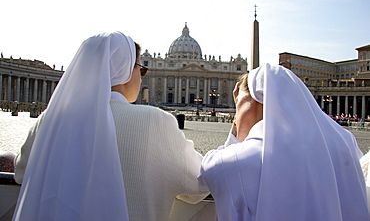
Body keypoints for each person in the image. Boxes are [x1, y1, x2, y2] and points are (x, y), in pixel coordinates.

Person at [13, 32, 209, 221]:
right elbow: (199, 182)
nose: (141, 78)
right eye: (141, 69)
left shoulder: (50, 119)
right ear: (124, 69)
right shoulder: (156, 121)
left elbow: (21, 173)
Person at [198, 63, 369, 220]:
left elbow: (206, 173)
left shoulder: (234, 162)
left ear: (256, 97)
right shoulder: (345, 144)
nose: (236, 108)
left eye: (237, 99)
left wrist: (236, 131)